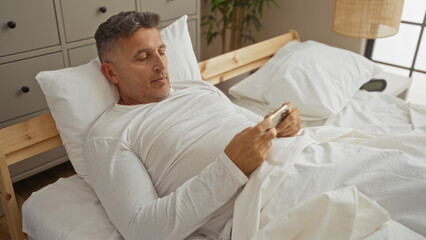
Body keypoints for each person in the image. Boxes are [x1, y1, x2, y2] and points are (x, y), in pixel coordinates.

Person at [85, 11, 301, 240]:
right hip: (269, 201)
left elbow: (257, 127)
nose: (161, 65)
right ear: (111, 72)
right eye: (143, 57)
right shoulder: (109, 135)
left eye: (161, 52)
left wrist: (285, 126)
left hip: (304, 156)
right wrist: (231, 166)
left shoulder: (196, 87)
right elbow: (142, 229)